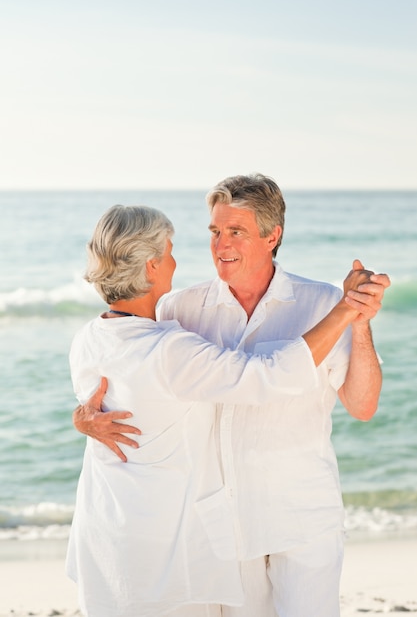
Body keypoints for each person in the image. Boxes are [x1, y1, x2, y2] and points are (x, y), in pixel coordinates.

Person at [73, 177, 390, 617]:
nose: (220, 244)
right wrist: (84, 420)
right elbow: (123, 356)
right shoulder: (176, 310)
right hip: (222, 530)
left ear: (272, 235)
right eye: (214, 231)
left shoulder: (323, 303)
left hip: (301, 517)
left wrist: (357, 320)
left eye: (235, 231)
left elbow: (363, 405)